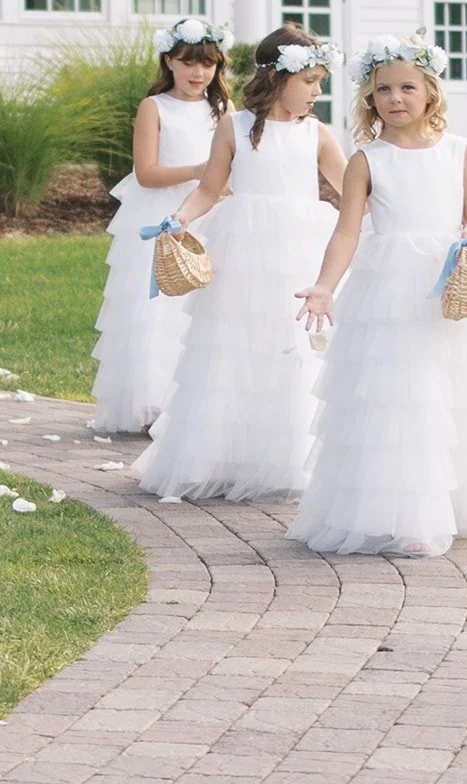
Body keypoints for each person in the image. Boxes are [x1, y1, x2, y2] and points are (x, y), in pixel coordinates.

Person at [289, 35, 467, 557]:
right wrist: (324, 286)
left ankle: (465, 503)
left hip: (452, 280)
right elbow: (347, 232)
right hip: (393, 291)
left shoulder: (456, 150)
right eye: (383, 89)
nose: (395, 98)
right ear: (369, 97)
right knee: (406, 398)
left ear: (430, 93)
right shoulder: (367, 160)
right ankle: (410, 516)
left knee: (463, 390)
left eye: (407, 87)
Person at [131, 24, 346, 502]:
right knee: (235, 346)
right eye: (309, 80)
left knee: (294, 346)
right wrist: (180, 217)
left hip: (300, 249)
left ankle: (291, 455)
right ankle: (223, 453)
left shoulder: (317, 133)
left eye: (320, 82)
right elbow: (210, 187)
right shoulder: (235, 126)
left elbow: (354, 191)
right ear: (277, 77)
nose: (316, 92)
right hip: (244, 249)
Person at [91, 18, 231, 434]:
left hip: (208, 213)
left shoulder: (222, 110)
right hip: (160, 210)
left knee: (204, 306)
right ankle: (151, 401)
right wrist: (199, 171)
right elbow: (147, 171)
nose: (197, 74)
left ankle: (197, 403)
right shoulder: (154, 108)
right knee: (157, 310)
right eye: (188, 63)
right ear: (169, 61)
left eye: (207, 65)